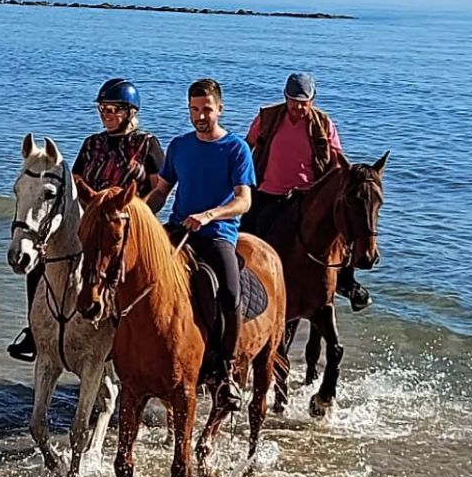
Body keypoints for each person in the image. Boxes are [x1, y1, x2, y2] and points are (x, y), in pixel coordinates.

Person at [7, 78, 165, 362]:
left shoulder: (147, 145)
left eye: (113, 109)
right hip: (90, 221)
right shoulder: (92, 144)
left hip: (127, 226)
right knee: (39, 260)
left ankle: (127, 335)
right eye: (103, 109)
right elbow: (75, 182)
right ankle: (36, 331)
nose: (106, 115)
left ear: (130, 112)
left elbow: (160, 188)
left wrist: (140, 217)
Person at [145, 79, 255, 411]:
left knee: (230, 293)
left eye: (206, 109)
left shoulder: (236, 149)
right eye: (194, 109)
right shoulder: (179, 146)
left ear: (220, 109)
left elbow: (244, 201)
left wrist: (209, 215)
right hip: (179, 230)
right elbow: (161, 192)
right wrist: (137, 215)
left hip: (218, 234)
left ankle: (225, 371)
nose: (200, 116)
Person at [241, 72, 371, 311]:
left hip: (306, 195)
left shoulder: (323, 123)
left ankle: (346, 282)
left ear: (312, 100)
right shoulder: (267, 118)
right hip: (269, 191)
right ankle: (242, 286)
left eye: (303, 102)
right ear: (285, 97)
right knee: (246, 233)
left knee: (343, 230)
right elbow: (245, 147)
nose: (298, 107)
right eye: (293, 101)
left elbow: (337, 161)